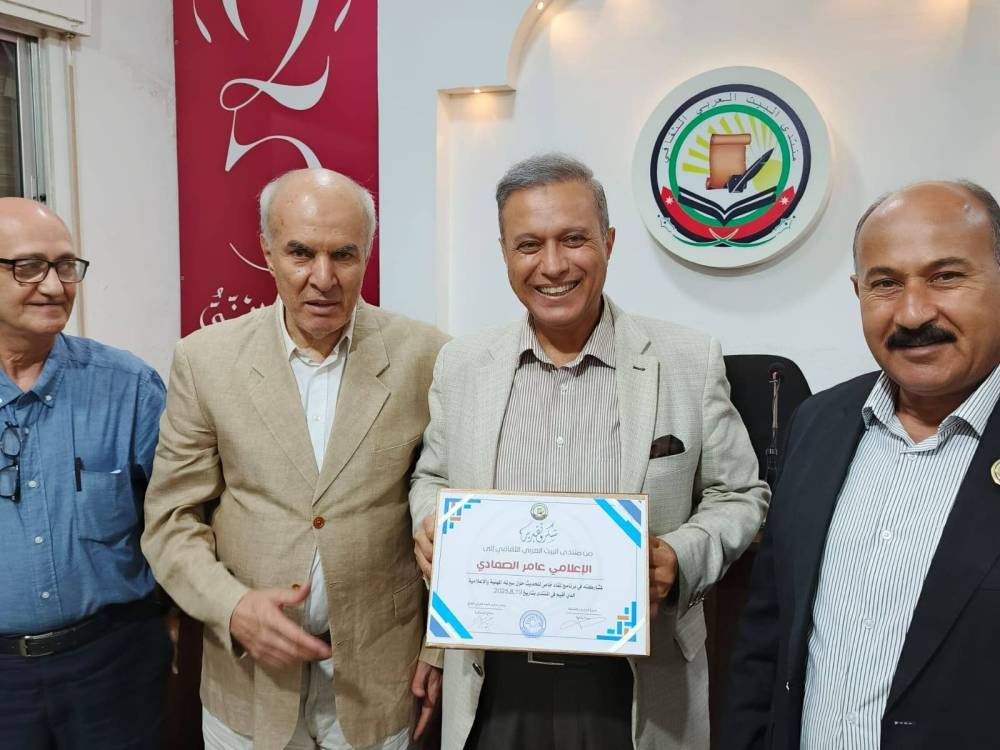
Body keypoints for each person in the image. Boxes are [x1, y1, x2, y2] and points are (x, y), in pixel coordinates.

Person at [410, 153, 769, 750]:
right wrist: (430, 524)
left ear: (608, 242)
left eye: (573, 239)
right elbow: (432, 477)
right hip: (494, 678)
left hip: (638, 685)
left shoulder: (688, 358)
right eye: (529, 245)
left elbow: (740, 494)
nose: (553, 265)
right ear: (505, 254)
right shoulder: (462, 365)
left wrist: (681, 557)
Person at [142, 168, 448, 750]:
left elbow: (444, 506)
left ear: (367, 253)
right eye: (301, 253)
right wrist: (232, 607)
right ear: (267, 251)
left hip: (380, 678)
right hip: (247, 684)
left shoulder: (427, 356)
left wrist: (439, 645)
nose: (323, 278)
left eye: (344, 255)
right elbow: (171, 521)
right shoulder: (205, 361)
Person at [721, 180, 1000, 750]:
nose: (913, 312)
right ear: (858, 292)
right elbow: (767, 636)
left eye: (946, 276)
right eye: (885, 283)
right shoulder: (818, 422)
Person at [0, 198, 170, 748]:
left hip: (113, 665)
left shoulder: (129, 387)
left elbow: (177, 519)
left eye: (66, 266)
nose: (54, 286)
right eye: (29, 267)